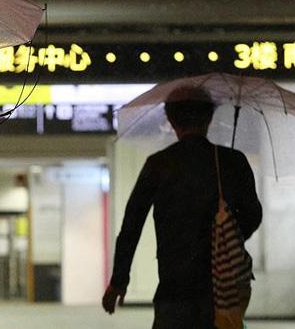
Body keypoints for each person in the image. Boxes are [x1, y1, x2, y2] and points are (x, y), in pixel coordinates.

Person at [102, 87, 262, 328]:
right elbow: (253, 215)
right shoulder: (232, 161)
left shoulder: (158, 164)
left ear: (170, 119)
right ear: (209, 117)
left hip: (173, 288)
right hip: (221, 286)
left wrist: (118, 281)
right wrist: (226, 234)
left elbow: (131, 226)